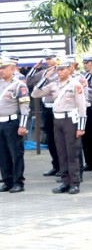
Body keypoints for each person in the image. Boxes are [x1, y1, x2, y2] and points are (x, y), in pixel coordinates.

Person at [32, 55, 87, 195]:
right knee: (61, 152)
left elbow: (82, 106)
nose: (60, 72)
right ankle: (65, 182)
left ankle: (74, 183)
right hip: (58, 120)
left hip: (70, 120)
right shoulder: (53, 84)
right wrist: (45, 77)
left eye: (63, 69)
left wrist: (81, 127)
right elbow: (35, 93)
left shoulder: (75, 84)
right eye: (58, 69)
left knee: (72, 153)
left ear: (69, 69)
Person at [26, 48, 60, 177]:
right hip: (47, 108)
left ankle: (64, 167)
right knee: (51, 139)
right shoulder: (44, 72)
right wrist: (35, 68)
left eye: (50, 58)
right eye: (47, 59)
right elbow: (29, 81)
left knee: (60, 139)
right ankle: (56, 165)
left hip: (60, 108)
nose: (48, 61)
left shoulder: (62, 71)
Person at [0, 55, 30, 193]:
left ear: (12, 69)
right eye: (0, 68)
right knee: (3, 153)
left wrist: (23, 126)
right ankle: (7, 180)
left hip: (12, 123)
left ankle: (18, 182)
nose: (1, 70)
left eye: (4, 68)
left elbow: (24, 107)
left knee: (16, 153)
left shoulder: (19, 85)